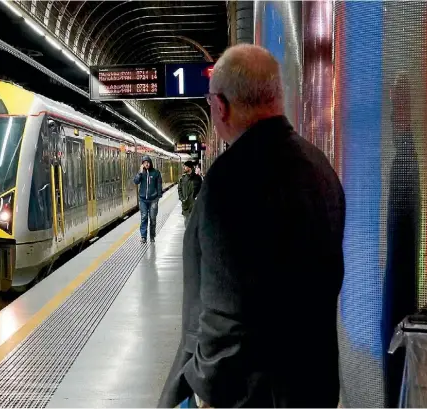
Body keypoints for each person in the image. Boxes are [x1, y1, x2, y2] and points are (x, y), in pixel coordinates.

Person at [158, 44, 346, 408]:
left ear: (220, 106)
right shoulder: (321, 169)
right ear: (276, 97)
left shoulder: (228, 182)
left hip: (248, 395)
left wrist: (202, 388)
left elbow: (220, 318)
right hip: (313, 386)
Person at [133, 155, 163, 243]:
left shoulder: (156, 172)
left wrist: (158, 196)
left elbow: (159, 185)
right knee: (144, 217)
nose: (146, 164)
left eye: (148, 162)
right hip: (143, 200)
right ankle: (143, 237)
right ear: (142, 164)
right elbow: (136, 181)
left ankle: (152, 236)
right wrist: (140, 173)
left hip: (153, 199)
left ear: (150, 163)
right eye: (144, 163)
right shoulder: (141, 173)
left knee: (153, 218)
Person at [177, 161, 202, 227]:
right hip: (186, 205)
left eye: (185, 166)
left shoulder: (198, 178)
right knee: (187, 224)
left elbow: (202, 189)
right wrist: (182, 199)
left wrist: (197, 198)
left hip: (195, 204)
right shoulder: (182, 179)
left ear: (189, 167)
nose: (183, 168)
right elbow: (179, 190)